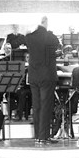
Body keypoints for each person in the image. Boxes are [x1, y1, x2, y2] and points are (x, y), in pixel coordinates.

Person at [25, 16, 61, 144]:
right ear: (45, 23)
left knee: (36, 106)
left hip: (33, 76)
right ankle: (43, 136)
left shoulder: (29, 37)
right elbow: (56, 43)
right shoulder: (49, 36)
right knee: (46, 106)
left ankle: (37, 136)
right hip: (47, 76)